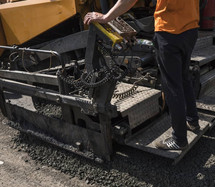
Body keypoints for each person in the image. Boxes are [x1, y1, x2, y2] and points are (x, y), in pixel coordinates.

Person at [84, 0, 200, 150]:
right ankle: (192, 121)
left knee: (172, 86)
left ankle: (179, 139)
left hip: (169, 31)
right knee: (184, 78)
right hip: (190, 29)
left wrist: (106, 17)